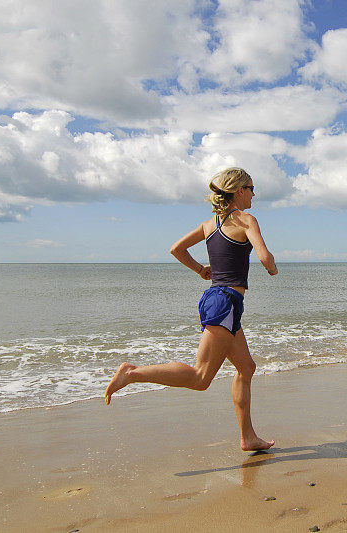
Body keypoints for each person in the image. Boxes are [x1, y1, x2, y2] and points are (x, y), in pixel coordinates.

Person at [105, 167, 277, 451]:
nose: (254, 194)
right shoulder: (247, 220)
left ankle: (248, 437)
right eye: (251, 188)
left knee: (246, 367)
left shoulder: (209, 225)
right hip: (225, 303)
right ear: (239, 191)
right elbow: (264, 257)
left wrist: (200, 269)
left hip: (219, 300)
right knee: (200, 378)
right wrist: (272, 268)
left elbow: (176, 249)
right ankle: (132, 373)